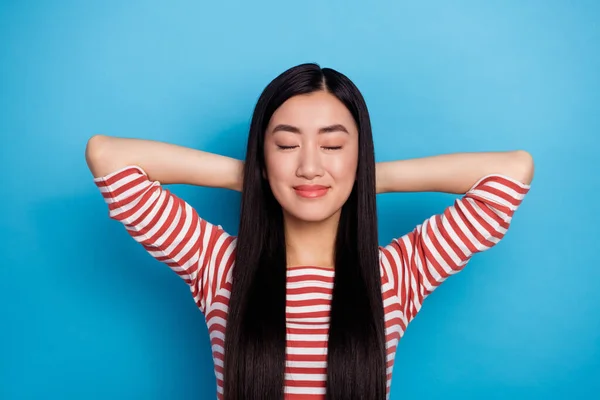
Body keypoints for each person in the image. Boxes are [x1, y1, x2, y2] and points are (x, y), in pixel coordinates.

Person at [85, 63, 534, 400]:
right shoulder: (218, 265)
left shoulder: (396, 276)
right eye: (286, 145)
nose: (310, 166)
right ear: (263, 154)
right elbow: (108, 156)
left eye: (333, 146)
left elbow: (513, 171)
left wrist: (363, 179)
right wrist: (258, 176)